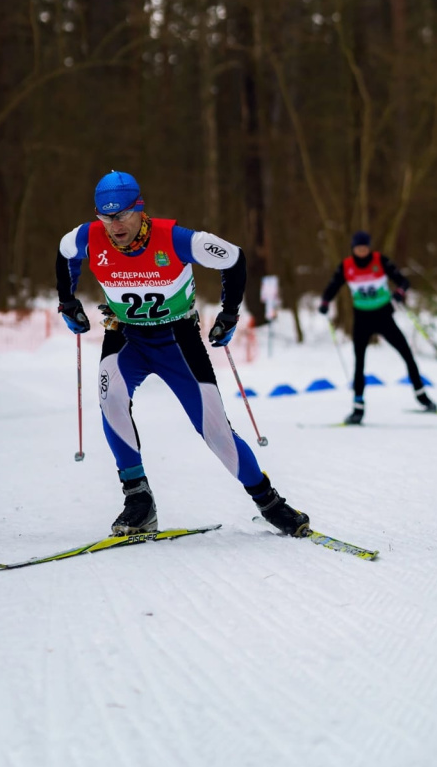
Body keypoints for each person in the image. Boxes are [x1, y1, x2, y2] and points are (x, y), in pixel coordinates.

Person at [55, 170, 309, 536]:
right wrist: (67, 302)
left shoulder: (175, 239)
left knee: (215, 432)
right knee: (111, 400)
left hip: (178, 340)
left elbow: (234, 258)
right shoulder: (87, 237)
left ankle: (269, 502)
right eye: (106, 217)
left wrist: (229, 312)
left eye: (122, 214)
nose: (115, 225)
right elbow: (64, 255)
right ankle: (138, 500)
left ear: (139, 208)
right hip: (125, 336)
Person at [318, 231, 437, 424]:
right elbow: (334, 285)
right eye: (358, 248)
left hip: (383, 316)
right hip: (362, 319)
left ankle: (423, 397)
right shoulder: (347, 266)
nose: (362, 251)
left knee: (407, 354)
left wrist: (399, 292)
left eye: (365, 248)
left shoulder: (380, 261)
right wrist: (325, 301)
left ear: (369, 247)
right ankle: (358, 409)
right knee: (359, 363)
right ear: (353, 249)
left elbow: (403, 281)